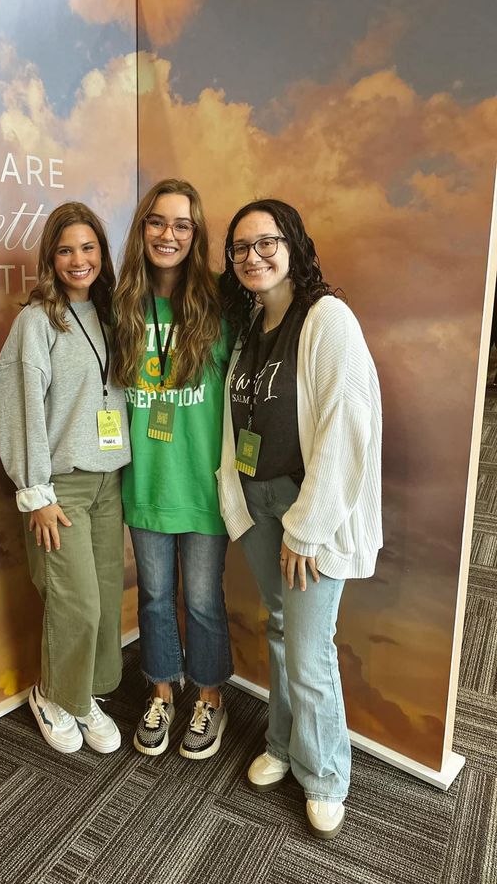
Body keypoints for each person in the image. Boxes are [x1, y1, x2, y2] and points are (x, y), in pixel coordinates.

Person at [217, 199, 382, 839]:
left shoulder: (327, 318)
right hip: (257, 502)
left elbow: (348, 425)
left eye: (266, 242)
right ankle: (283, 747)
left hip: (305, 507)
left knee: (310, 651)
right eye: (240, 249)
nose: (253, 256)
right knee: (281, 627)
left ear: (293, 245)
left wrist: (308, 525)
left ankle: (325, 775)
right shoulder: (251, 324)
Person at [0, 201, 131, 755]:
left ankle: (84, 695)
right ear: (51, 258)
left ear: (102, 252)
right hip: (61, 486)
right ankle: (52, 694)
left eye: (89, 247)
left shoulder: (112, 312)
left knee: (104, 596)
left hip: (108, 480)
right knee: (77, 603)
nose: (79, 259)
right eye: (66, 249)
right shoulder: (35, 321)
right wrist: (36, 493)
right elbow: (22, 405)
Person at [113, 178, 233, 760]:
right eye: (157, 222)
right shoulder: (122, 306)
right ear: (143, 230)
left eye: (182, 225)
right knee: (156, 598)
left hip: (204, 484)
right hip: (147, 482)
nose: (168, 234)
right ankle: (162, 691)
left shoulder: (220, 302)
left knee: (204, 600)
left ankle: (210, 699)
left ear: (196, 234)